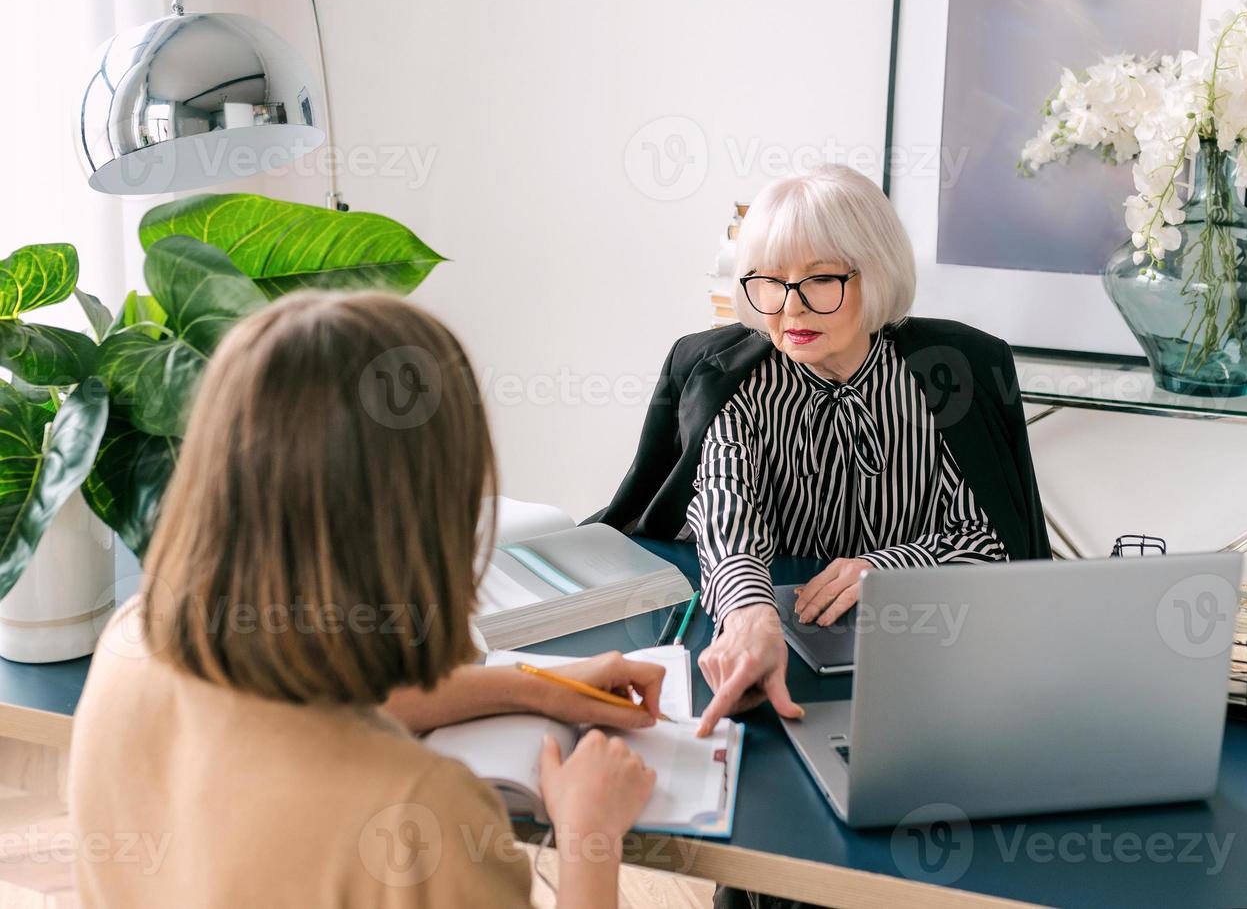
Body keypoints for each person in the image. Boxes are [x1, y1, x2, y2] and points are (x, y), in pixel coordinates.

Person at [70, 291, 660, 909]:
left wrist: (540, 686)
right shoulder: (420, 814)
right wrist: (591, 836)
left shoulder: (129, 644)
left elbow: (329, 710)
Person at [590, 164, 1050, 740]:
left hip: (925, 651)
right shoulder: (731, 376)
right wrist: (749, 615)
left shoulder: (954, 372)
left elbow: (987, 539)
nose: (791, 308)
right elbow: (726, 511)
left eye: (820, 280)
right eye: (768, 281)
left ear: (876, 273)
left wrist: (884, 568)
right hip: (777, 634)